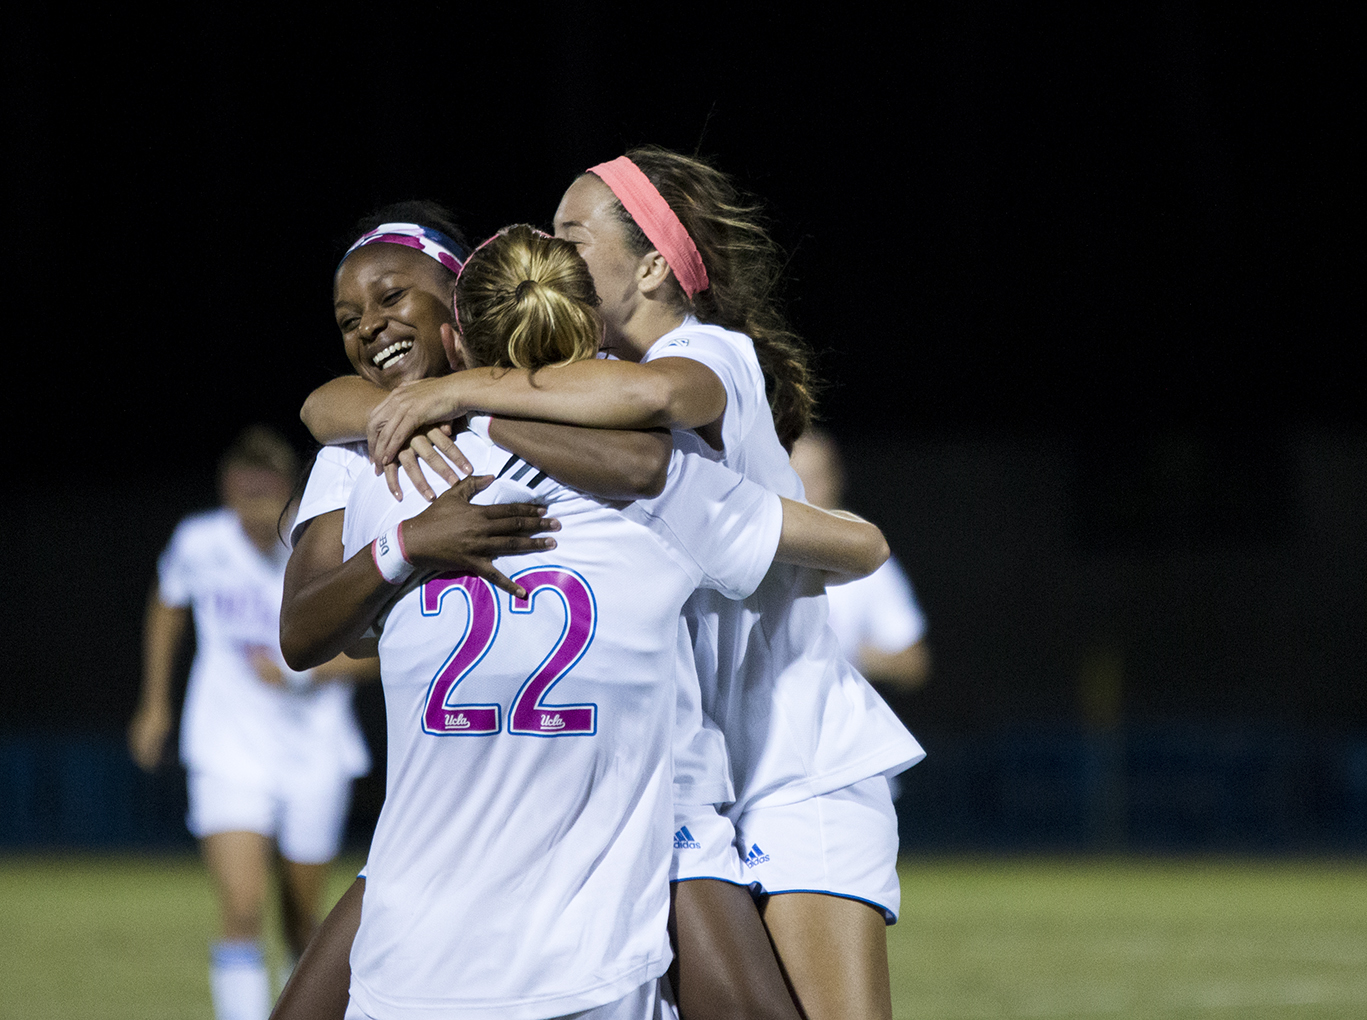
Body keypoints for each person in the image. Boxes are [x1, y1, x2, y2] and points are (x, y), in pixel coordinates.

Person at [349, 148, 924, 1020]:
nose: (552, 249)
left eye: (572, 235)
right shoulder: (577, 410)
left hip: (791, 764)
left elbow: (664, 408)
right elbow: (330, 405)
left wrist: (459, 390)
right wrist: (438, 398)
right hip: (667, 780)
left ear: (653, 265)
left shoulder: (707, 357)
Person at [128, 425, 373, 1020]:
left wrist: (302, 674)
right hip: (227, 747)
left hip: (314, 751)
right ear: (226, 492)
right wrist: (154, 702)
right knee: (241, 907)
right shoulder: (200, 542)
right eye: (243, 496)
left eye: (267, 496)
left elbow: (385, 648)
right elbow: (167, 604)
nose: (255, 511)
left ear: (291, 492)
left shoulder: (326, 543)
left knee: (299, 921)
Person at [789, 429, 930, 693]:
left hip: (835, 724)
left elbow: (913, 663)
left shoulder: (869, 563)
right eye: (795, 478)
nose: (805, 491)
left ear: (836, 480)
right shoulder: (753, 553)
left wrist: (846, 652)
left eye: (814, 479)